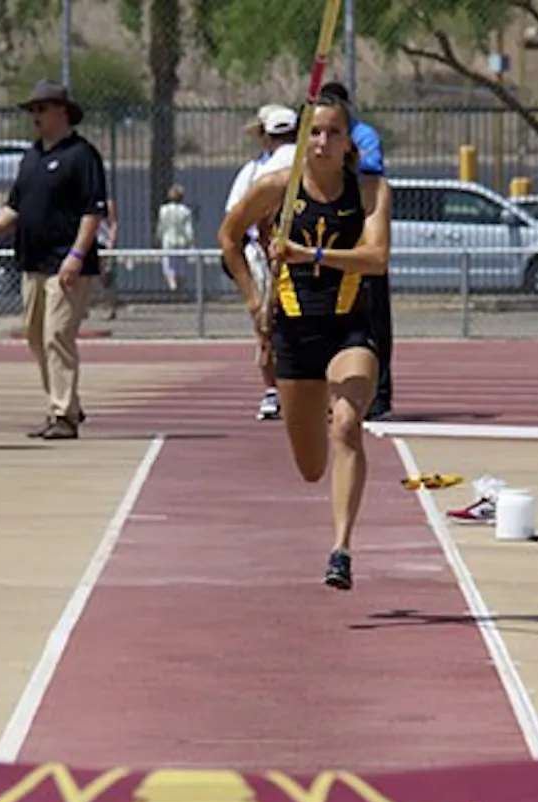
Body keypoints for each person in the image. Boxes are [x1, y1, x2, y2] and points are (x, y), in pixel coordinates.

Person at [219, 93, 392, 590]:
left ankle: (341, 549)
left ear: (348, 142)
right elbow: (229, 237)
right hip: (294, 334)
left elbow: (376, 257)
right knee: (311, 466)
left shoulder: (369, 191)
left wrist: (307, 252)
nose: (322, 142)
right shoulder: (275, 189)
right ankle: (320, 414)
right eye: (313, 132)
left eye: (333, 133)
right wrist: (254, 302)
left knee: (347, 424)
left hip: (350, 328)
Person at [0, 79, 109, 441]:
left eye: (41, 108)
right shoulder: (32, 157)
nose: (35, 116)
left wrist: (77, 255)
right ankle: (66, 403)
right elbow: (15, 205)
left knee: (57, 335)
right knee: (35, 336)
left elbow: (93, 211)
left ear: (62, 111)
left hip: (66, 263)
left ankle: (63, 414)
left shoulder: (82, 155)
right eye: (32, 109)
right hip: (33, 262)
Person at [318, 81, 394, 420]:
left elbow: (372, 168)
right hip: (329, 238)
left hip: (359, 241)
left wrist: (345, 164)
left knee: (373, 320)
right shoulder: (315, 136)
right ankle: (327, 393)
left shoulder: (364, 135)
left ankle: (378, 397)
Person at [225, 104, 298, 421]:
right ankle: (284, 390)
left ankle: (276, 390)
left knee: (269, 326)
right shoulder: (257, 172)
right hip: (276, 255)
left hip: (270, 255)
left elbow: (232, 225)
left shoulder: (255, 172)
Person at [156, 185, 194, 292]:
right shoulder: (185, 211)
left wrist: (158, 237)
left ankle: (172, 285)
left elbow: (161, 226)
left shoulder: (163, 210)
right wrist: (190, 241)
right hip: (181, 241)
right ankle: (180, 287)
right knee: (181, 264)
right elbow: (188, 229)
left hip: (168, 240)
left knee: (168, 264)